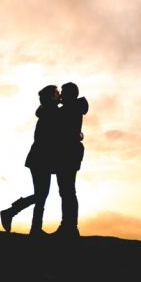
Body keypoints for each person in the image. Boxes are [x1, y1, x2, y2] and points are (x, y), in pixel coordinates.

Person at [0, 85, 60, 236]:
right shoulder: (51, 112)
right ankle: (15, 215)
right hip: (41, 159)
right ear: (51, 97)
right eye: (57, 93)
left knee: (41, 194)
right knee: (41, 195)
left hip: (38, 159)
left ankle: (27, 223)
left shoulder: (47, 110)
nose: (60, 95)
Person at [52, 82, 89, 237]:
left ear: (69, 94)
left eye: (63, 92)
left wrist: (55, 103)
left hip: (68, 153)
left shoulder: (69, 108)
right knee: (67, 190)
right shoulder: (73, 107)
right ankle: (69, 226)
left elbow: (54, 121)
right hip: (70, 152)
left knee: (67, 191)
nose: (60, 95)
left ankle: (69, 227)